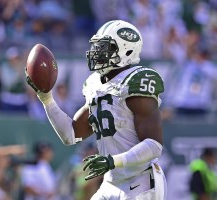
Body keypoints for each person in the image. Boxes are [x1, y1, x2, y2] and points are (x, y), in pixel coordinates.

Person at [26, 20, 167, 199]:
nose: (96, 52)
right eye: (96, 46)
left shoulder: (136, 80)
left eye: (104, 47)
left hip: (140, 180)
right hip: (112, 180)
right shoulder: (95, 84)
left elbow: (154, 146)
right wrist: (46, 99)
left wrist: (111, 161)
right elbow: (70, 134)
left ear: (127, 51)